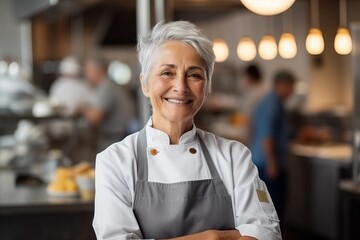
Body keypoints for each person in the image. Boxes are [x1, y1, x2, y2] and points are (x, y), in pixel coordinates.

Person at [92, 21, 281, 240]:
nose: (180, 87)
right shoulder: (115, 161)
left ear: (207, 86)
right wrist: (213, 237)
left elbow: (268, 235)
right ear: (144, 84)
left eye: (194, 75)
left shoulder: (234, 156)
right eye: (167, 73)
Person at [250, 71, 296, 222]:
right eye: (291, 86)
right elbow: (267, 136)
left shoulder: (273, 102)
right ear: (283, 85)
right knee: (273, 208)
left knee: (273, 207)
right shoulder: (272, 104)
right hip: (267, 164)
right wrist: (272, 164)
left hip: (264, 162)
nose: (292, 91)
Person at [79, 57, 130, 152]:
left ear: (98, 70)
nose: (86, 74)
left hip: (113, 139)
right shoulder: (105, 85)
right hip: (113, 137)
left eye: (88, 70)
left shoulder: (106, 87)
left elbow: (95, 117)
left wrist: (81, 109)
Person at [49, 56, 93, 139]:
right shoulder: (83, 85)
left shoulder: (57, 85)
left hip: (62, 127)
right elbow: (92, 104)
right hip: (76, 129)